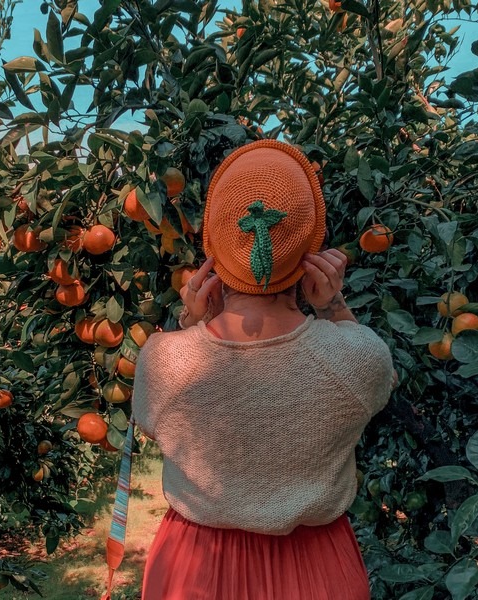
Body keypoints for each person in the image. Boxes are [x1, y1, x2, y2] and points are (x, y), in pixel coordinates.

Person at [131, 140, 396, 600]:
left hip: (196, 571)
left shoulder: (166, 361)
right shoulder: (357, 360)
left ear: (211, 246)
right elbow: (378, 382)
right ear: (312, 250)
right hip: (318, 573)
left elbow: (155, 424)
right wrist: (334, 304)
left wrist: (192, 322)